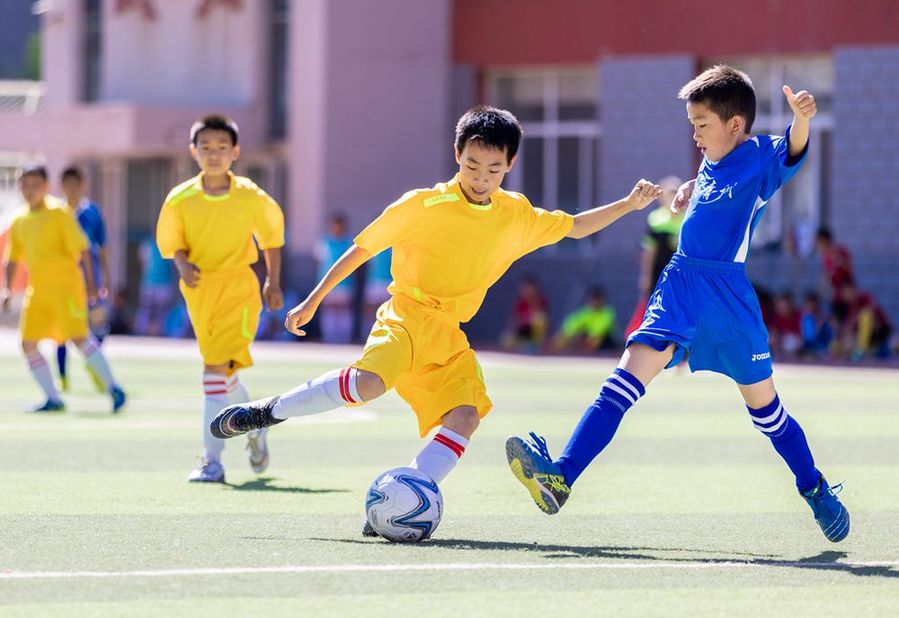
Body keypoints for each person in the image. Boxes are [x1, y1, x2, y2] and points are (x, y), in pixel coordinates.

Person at [209, 105, 661, 536]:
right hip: (407, 314)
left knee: (465, 417)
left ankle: (402, 501)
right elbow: (363, 249)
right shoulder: (422, 205)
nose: (481, 178)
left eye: (493, 169)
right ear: (456, 154)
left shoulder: (516, 214)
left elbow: (574, 226)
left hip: (449, 334)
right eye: (471, 165)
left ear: (510, 164)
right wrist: (312, 300)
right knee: (367, 385)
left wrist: (627, 204)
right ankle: (268, 412)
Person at [505, 66, 850, 543]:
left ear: (734, 125)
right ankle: (561, 476)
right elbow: (711, 179)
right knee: (622, 381)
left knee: (767, 412)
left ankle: (813, 489)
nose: (695, 135)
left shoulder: (760, 155)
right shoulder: (711, 157)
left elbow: (793, 145)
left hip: (728, 297)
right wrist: (691, 186)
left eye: (702, 125)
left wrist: (804, 119)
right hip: (681, 283)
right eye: (691, 125)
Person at [156, 114, 285, 483]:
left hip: (239, 290)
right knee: (224, 373)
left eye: (222, 147)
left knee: (213, 370)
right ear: (193, 151)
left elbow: (272, 238)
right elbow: (171, 242)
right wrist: (181, 263)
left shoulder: (250, 196)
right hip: (199, 292)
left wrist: (273, 282)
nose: (214, 154)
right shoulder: (180, 199)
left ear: (235, 152)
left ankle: (211, 461)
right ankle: (255, 423)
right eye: (206, 147)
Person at [1, 164, 126, 413]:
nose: (30, 191)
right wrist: (7, 290)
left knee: (80, 339)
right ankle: (53, 398)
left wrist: (91, 285)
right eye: (25, 186)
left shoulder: (60, 213)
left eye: (35, 185)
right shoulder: (18, 220)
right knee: (28, 343)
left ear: (46, 187)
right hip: (37, 293)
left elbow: (83, 251)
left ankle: (114, 388)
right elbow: (12, 259)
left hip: (67, 291)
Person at [56, 166, 111, 392]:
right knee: (61, 331)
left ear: (83, 185)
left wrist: (106, 276)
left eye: (75, 185)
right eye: (67, 185)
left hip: (91, 278)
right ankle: (62, 376)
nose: (71, 190)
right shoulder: (57, 214)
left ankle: (92, 362)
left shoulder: (92, 213)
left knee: (99, 325)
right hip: (64, 280)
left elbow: (102, 247)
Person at [625, 176, 684, 337]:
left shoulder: (687, 219)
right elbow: (649, 250)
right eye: (668, 194)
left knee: (680, 307)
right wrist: (645, 275)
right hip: (659, 272)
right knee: (657, 307)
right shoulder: (656, 219)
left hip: (681, 273)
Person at [315, 214, 354, 343]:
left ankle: (344, 338)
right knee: (329, 309)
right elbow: (318, 262)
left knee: (343, 309)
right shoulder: (324, 242)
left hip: (345, 283)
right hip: (327, 284)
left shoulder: (349, 242)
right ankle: (328, 338)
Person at [835, 281, 892, 361]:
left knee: (865, 316)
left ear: (854, 290)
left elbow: (873, 317)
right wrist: (846, 340)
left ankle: (861, 350)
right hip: (863, 337)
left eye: (847, 292)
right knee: (837, 344)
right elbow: (849, 328)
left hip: (879, 331)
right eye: (843, 294)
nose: (845, 296)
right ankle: (862, 350)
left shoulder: (865, 298)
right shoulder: (850, 308)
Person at [551, 288, 616, 353]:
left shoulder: (607, 313)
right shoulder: (585, 312)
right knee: (565, 337)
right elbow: (570, 327)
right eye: (594, 300)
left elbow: (600, 332)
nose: (595, 303)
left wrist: (585, 340)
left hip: (604, 344)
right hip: (586, 341)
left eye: (598, 300)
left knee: (597, 339)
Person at [134, 234, 175, 336]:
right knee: (145, 308)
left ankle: (162, 332)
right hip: (149, 283)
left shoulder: (168, 246)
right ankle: (140, 331)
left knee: (163, 310)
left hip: (164, 283)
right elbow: (142, 262)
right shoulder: (147, 244)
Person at [814, 228, 854, 324]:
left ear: (825, 240)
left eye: (819, 242)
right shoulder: (825, 257)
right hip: (836, 296)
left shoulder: (841, 251)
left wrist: (837, 259)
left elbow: (849, 269)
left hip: (847, 295)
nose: (818, 246)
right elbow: (827, 275)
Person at [501, 275, 549, 354]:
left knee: (540, 319)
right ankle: (522, 345)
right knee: (505, 341)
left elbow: (543, 320)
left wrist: (531, 300)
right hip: (523, 331)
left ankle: (536, 346)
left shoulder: (540, 300)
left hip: (535, 332)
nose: (526, 291)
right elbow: (515, 320)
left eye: (528, 288)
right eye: (524, 288)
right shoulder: (520, 303)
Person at [799, 291, 833, 358]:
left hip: (821, 345)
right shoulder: (805, 318)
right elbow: (807, 336)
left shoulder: (822, 318)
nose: (810, 307)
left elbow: (824, 334)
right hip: (809, 345)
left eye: (812, 304)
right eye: (808, 304)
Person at [768, 292, 802, 357]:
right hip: (782, 347)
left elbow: (801, 337)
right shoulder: (777, 318)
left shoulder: (798, 316)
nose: (782, 309)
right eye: (780, 306)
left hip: (797, 347)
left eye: (785, 306)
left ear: (790, 306)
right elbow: (774, 334)